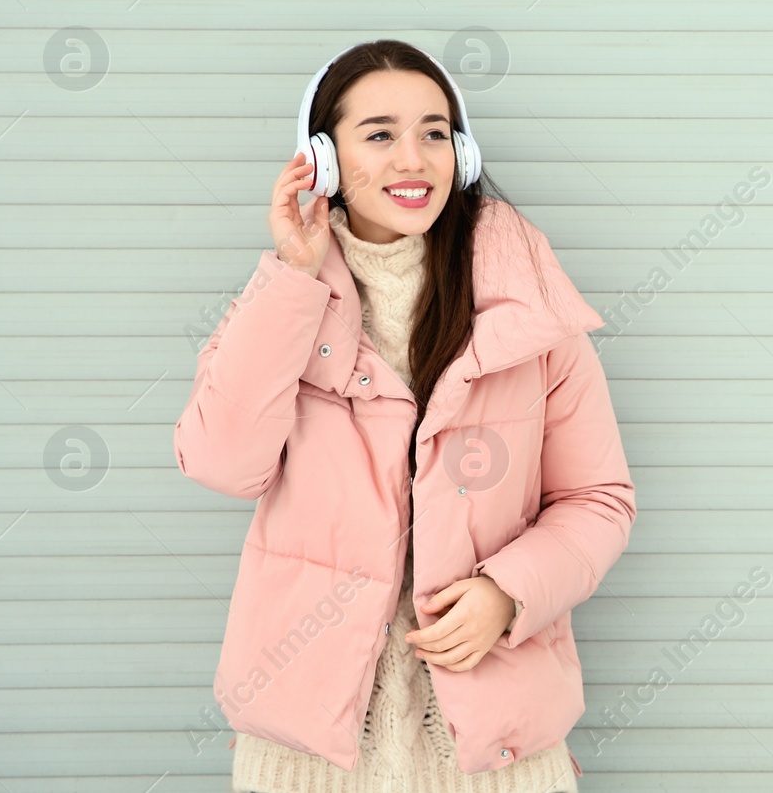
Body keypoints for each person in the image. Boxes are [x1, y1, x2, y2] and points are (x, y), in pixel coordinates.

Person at [172, 39, 635, 792]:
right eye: (380, 134)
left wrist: (509, 590)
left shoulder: (530, 313)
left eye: (433, 132)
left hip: (491, 755)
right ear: (322, 159)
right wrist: (293, 273)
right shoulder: (283, 305)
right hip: (309, 757)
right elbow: (222, 460)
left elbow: (599, 499)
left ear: (463, 152)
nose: (413, 158)